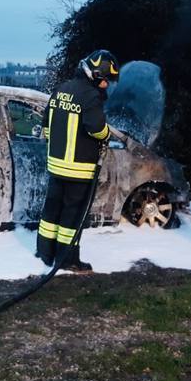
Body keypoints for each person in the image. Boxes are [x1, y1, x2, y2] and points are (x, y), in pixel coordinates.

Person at [35, 49, 119, 272]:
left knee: (51, 210)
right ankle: (68, 259)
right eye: (106, 81)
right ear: (96, 75)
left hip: (56, 165)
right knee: (72, 215)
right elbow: (96, 127)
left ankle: (45, 252)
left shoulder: (62, 89)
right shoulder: (90, 96)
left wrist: (57, 151)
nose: (106, 86)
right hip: (78, 169)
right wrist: (106, 135)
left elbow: (46, 124)